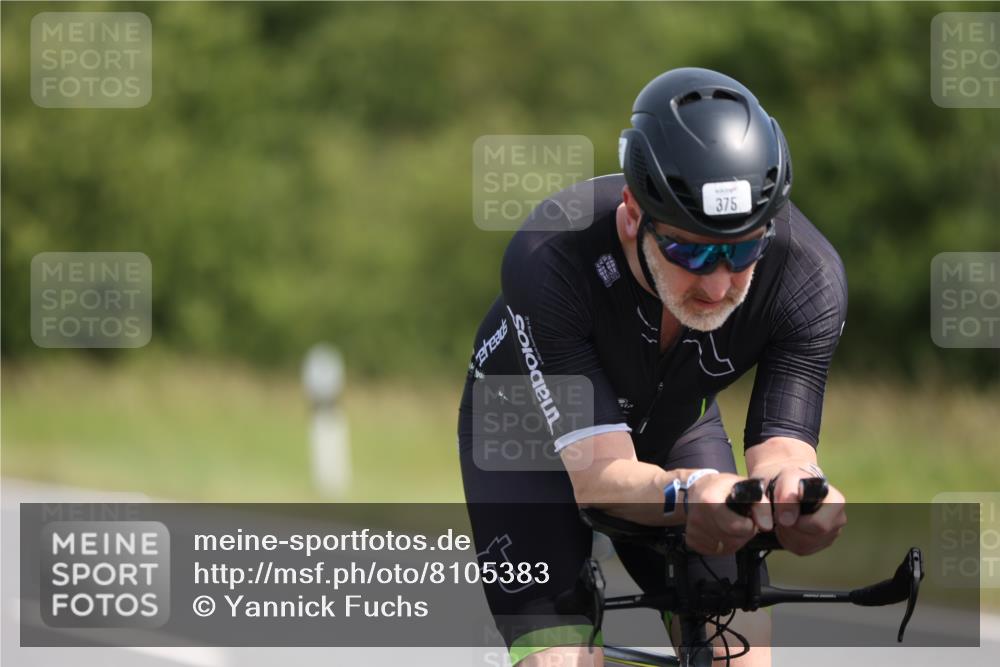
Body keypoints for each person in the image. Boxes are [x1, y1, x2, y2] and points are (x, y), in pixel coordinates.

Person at [457, 67, 848, 667]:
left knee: (740, 652)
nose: (718, 285)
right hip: (522, 435)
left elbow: (783, 446)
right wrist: (691, 493)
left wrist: (799, 495)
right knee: (561, 659)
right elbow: (599, 474)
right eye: (690, 250)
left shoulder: (807, 277)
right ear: (632, 214)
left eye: (744, 249)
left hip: (672, 425)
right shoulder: (550, 254)